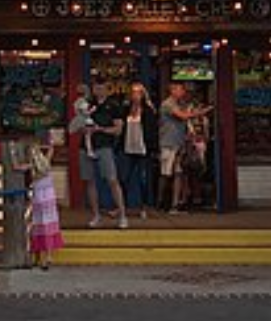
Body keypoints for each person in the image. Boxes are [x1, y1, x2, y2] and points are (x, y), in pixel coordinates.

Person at [78, 84, 128, 229]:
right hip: (86, 146)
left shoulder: (114, 106)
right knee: (90, 181)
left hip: (104, 147)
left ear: (107, 90)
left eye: (101, 88)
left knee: (112, 180)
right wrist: (84, 128)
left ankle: (122, 215)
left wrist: (101, 129)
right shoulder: (87, 105)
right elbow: (78, 125)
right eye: (95, 88)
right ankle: (96, 215)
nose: (97, 91)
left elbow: (118, 130)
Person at [158, 82, 212, 212]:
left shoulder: (178, 104)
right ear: (173, 90)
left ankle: (174, 205)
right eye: (181, 90)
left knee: (178, 173)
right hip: (168, 143)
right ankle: (160, 202)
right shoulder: (168, 104)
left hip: (179, 143)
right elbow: (183, 116)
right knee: (166, 174)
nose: (183, 92)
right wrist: (202, 111)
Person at [21, 134, 63, 269]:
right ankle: (48, 257)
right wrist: (48, 143)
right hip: (48, 197)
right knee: (48, 227)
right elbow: (51, 148)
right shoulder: (46, 162)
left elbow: (19, 167)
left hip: (39, 197)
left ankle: (37, 257)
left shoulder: (33, 165)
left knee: (37, 226)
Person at [119, 82, 157, 220]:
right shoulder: (126, 109)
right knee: (124, 178)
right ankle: (122, 207)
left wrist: (152, 148)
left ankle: (144, 207)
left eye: (138, 92)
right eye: (133, 92)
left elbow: (152, 131)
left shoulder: (148, 110)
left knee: (143, 179)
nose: (136, 95)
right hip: (128, 148)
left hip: (142, 149)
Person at [69, 92, 98, 159]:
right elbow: (84, 113)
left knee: (88, 136)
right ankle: (89, 151)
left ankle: (89, 151)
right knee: (87, 136)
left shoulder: (82, 102)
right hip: (83, 121)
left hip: (86, 121)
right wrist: (93, 110)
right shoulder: (81, 102)